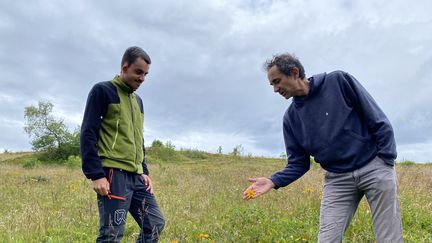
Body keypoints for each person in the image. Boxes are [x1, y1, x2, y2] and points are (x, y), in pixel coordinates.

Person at [243, 53, 403, 243]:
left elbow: (377, 119)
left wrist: (385, 160)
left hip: (373, 168)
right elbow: (298, 163)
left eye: (277, 82)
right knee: (327, 240)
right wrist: (273, 181)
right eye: (272, 85)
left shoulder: (338, 81)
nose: (275, 89)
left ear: (294, 73)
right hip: (337, 179)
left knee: (388, 237)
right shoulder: (291, 119)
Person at [81, 46, 165, 242]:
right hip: (113, 175)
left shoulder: (139, 101)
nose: (142, 78)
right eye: (138, 71)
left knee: (155, 223)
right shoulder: (103, 91)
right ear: (124, 67)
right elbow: (88, 132)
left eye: (145, 74)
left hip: (136, 177)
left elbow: (138, 139)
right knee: (111, 234)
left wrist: (144, 171)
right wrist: (96, 175)